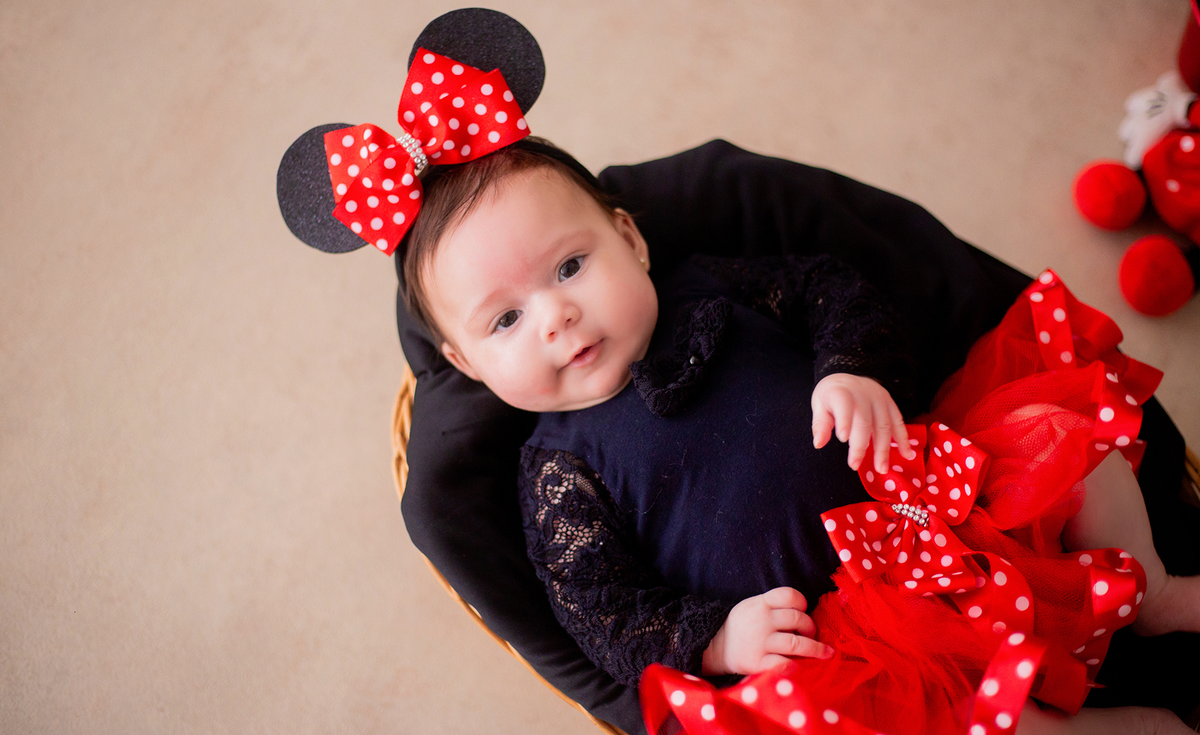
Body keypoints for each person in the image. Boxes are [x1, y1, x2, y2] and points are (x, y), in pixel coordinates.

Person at [391, 133, 1200, 734]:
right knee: (980, 724)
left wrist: (851, 369)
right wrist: (714, 640)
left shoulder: (711, 285)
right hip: (858, 641)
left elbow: (833, 289)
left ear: (629, 239)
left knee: (1059, 432)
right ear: (464, 364)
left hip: (947, 490)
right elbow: (601, 610)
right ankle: (1117, 724)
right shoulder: (557, 471)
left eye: (570, 267)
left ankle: (1152, 590)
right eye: (506, 320)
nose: (556, 315)